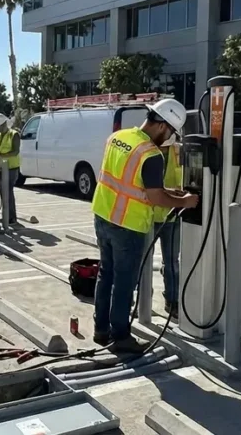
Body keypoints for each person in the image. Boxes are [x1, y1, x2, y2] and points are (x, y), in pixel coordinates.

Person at [91, 98, 199, 351]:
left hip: (103, 215)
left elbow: (131, 181)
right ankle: (121, 337)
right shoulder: (151, 154)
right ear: (163, 126)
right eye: (171, 132)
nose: (170, 137)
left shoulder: (118, 136)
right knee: (125, 282)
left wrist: (171, 191)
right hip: (128, 224)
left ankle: (101, 330)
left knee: (106, 274)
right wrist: (185, 201)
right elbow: (155, 197)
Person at [155, 134, 183, 318]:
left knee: (172, 263)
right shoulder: (148, 151)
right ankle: (139, 301)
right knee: (141, 262)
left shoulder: (180, 151)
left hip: (172, 216)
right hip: (148, 215)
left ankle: (172, 301)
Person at [0, 112, 20, 225]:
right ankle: (6, 215)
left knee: (8, 192)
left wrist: (2, 156)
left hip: (11, 168)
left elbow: (16, 151)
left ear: (4, 124)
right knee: (3, 193)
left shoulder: (14, 134)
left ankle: (12, 218)